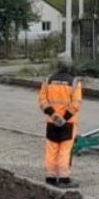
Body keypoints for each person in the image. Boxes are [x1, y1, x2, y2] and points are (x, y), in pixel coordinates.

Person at [38, 53, 82, 187]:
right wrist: (64, 118)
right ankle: (63, 179)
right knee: (64, 150)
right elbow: (75, 104)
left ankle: (50, 177)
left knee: (52, 149)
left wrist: (54, 116)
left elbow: (42, 101)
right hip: (68, 124)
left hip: (52, 122)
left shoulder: (48, 80)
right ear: (70, 66)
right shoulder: (74, 82)